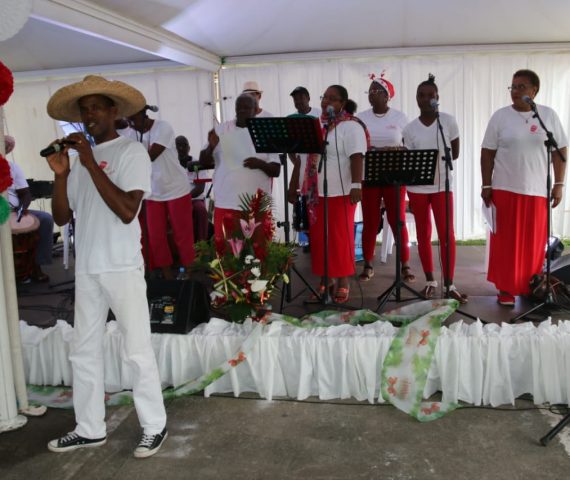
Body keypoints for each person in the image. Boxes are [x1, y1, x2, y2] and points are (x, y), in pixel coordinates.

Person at [44, 75, 167, 458]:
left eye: (96, 107)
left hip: (122, 266)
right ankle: (89, 428)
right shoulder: (79, 161)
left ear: (114, 111)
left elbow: (128, 211)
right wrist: (61, 175)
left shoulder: (131, 153)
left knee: (136, 349)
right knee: (83, 351)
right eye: (84, 110)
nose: (89, 115)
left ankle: (154, 425)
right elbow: (63, 217)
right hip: (89, 268)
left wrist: (89, 161)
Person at [481, 69, 568, 306]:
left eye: (521, 87)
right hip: (504, 187)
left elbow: (560, 152)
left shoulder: (547, 116)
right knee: (506, 243)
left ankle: (530, 286)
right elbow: (487, 152)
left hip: (536, 190)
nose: (516, 91)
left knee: (533, 242)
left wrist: (559, 185)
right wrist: (486, 184)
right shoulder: (500, 117)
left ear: (534, 91)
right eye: (513, 87)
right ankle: (506, 289)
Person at [402, 74, 467, 303]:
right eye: (422, 95)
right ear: (417, 99)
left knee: (447, 234)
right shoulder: (409, 129)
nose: (426, 98)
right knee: (423, 234)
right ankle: (430, 281)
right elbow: (408, 160)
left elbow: (455, 153)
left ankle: (450, 284)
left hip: (442, 186)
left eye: (431, 95)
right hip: (418, 188)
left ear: (437, 97)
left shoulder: (447, 122)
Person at [199, 94, 281, 252]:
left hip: (257, 206)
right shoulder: (222, 129)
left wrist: (259, 164)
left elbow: (276, 170)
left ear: (256, 110)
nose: (242, 112)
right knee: (229, 256)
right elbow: (203, 162)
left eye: (246, 108)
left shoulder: (265, 131)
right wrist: (210, 147)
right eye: (239, 108)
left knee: (259, 254)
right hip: (227, 203)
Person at [309, 84, 367, 303]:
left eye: (332, 98)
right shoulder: (318, 125)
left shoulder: (350, 127)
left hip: (342, 192)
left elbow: (357, 157)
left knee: (339, 239)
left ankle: (343, 281)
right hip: (317, 193)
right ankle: (327, 278)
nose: (326, 102)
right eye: (325, 97)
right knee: (320, 239)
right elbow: (308, 157)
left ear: (342, 103)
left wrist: (356, 185)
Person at [357, 74, 414, 283]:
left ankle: (405, 265)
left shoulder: (399, 117)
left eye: (375, 91)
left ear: (386, 95)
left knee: (397, 220)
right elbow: (357, 144)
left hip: (395, 175)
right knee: (370, 221)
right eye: (369, 91)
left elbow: (409, 144)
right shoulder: (361, 117)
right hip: (369, 174)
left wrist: (398, 150)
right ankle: (368, 264)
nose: (371, 95)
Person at [127, 107, 194, 279]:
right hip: (153, 192)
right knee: (156, 236)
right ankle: (167, 276)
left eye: (134, 120)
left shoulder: (163, 127)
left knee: (182, 235)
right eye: (129, 122)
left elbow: (151, 155)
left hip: (176, 189)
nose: (132, 125)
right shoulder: (131, 132)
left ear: (144, 114)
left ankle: (189, 273)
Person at [5, 135, 54, 282]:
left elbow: (25, 193)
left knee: (46, 219)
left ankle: (36, 266)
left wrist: (22, 208)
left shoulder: (13, 167)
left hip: (14, 212)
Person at [176, 135, 211, 242]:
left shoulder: (198, 163)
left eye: (184, 145)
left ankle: (202, 244)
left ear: (189, 148)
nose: (181, 148)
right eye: (178, 146)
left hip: (194, 199)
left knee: (201, 210)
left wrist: (185, 198)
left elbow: (200, 188)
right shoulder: (171, 164)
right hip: (175, 199)